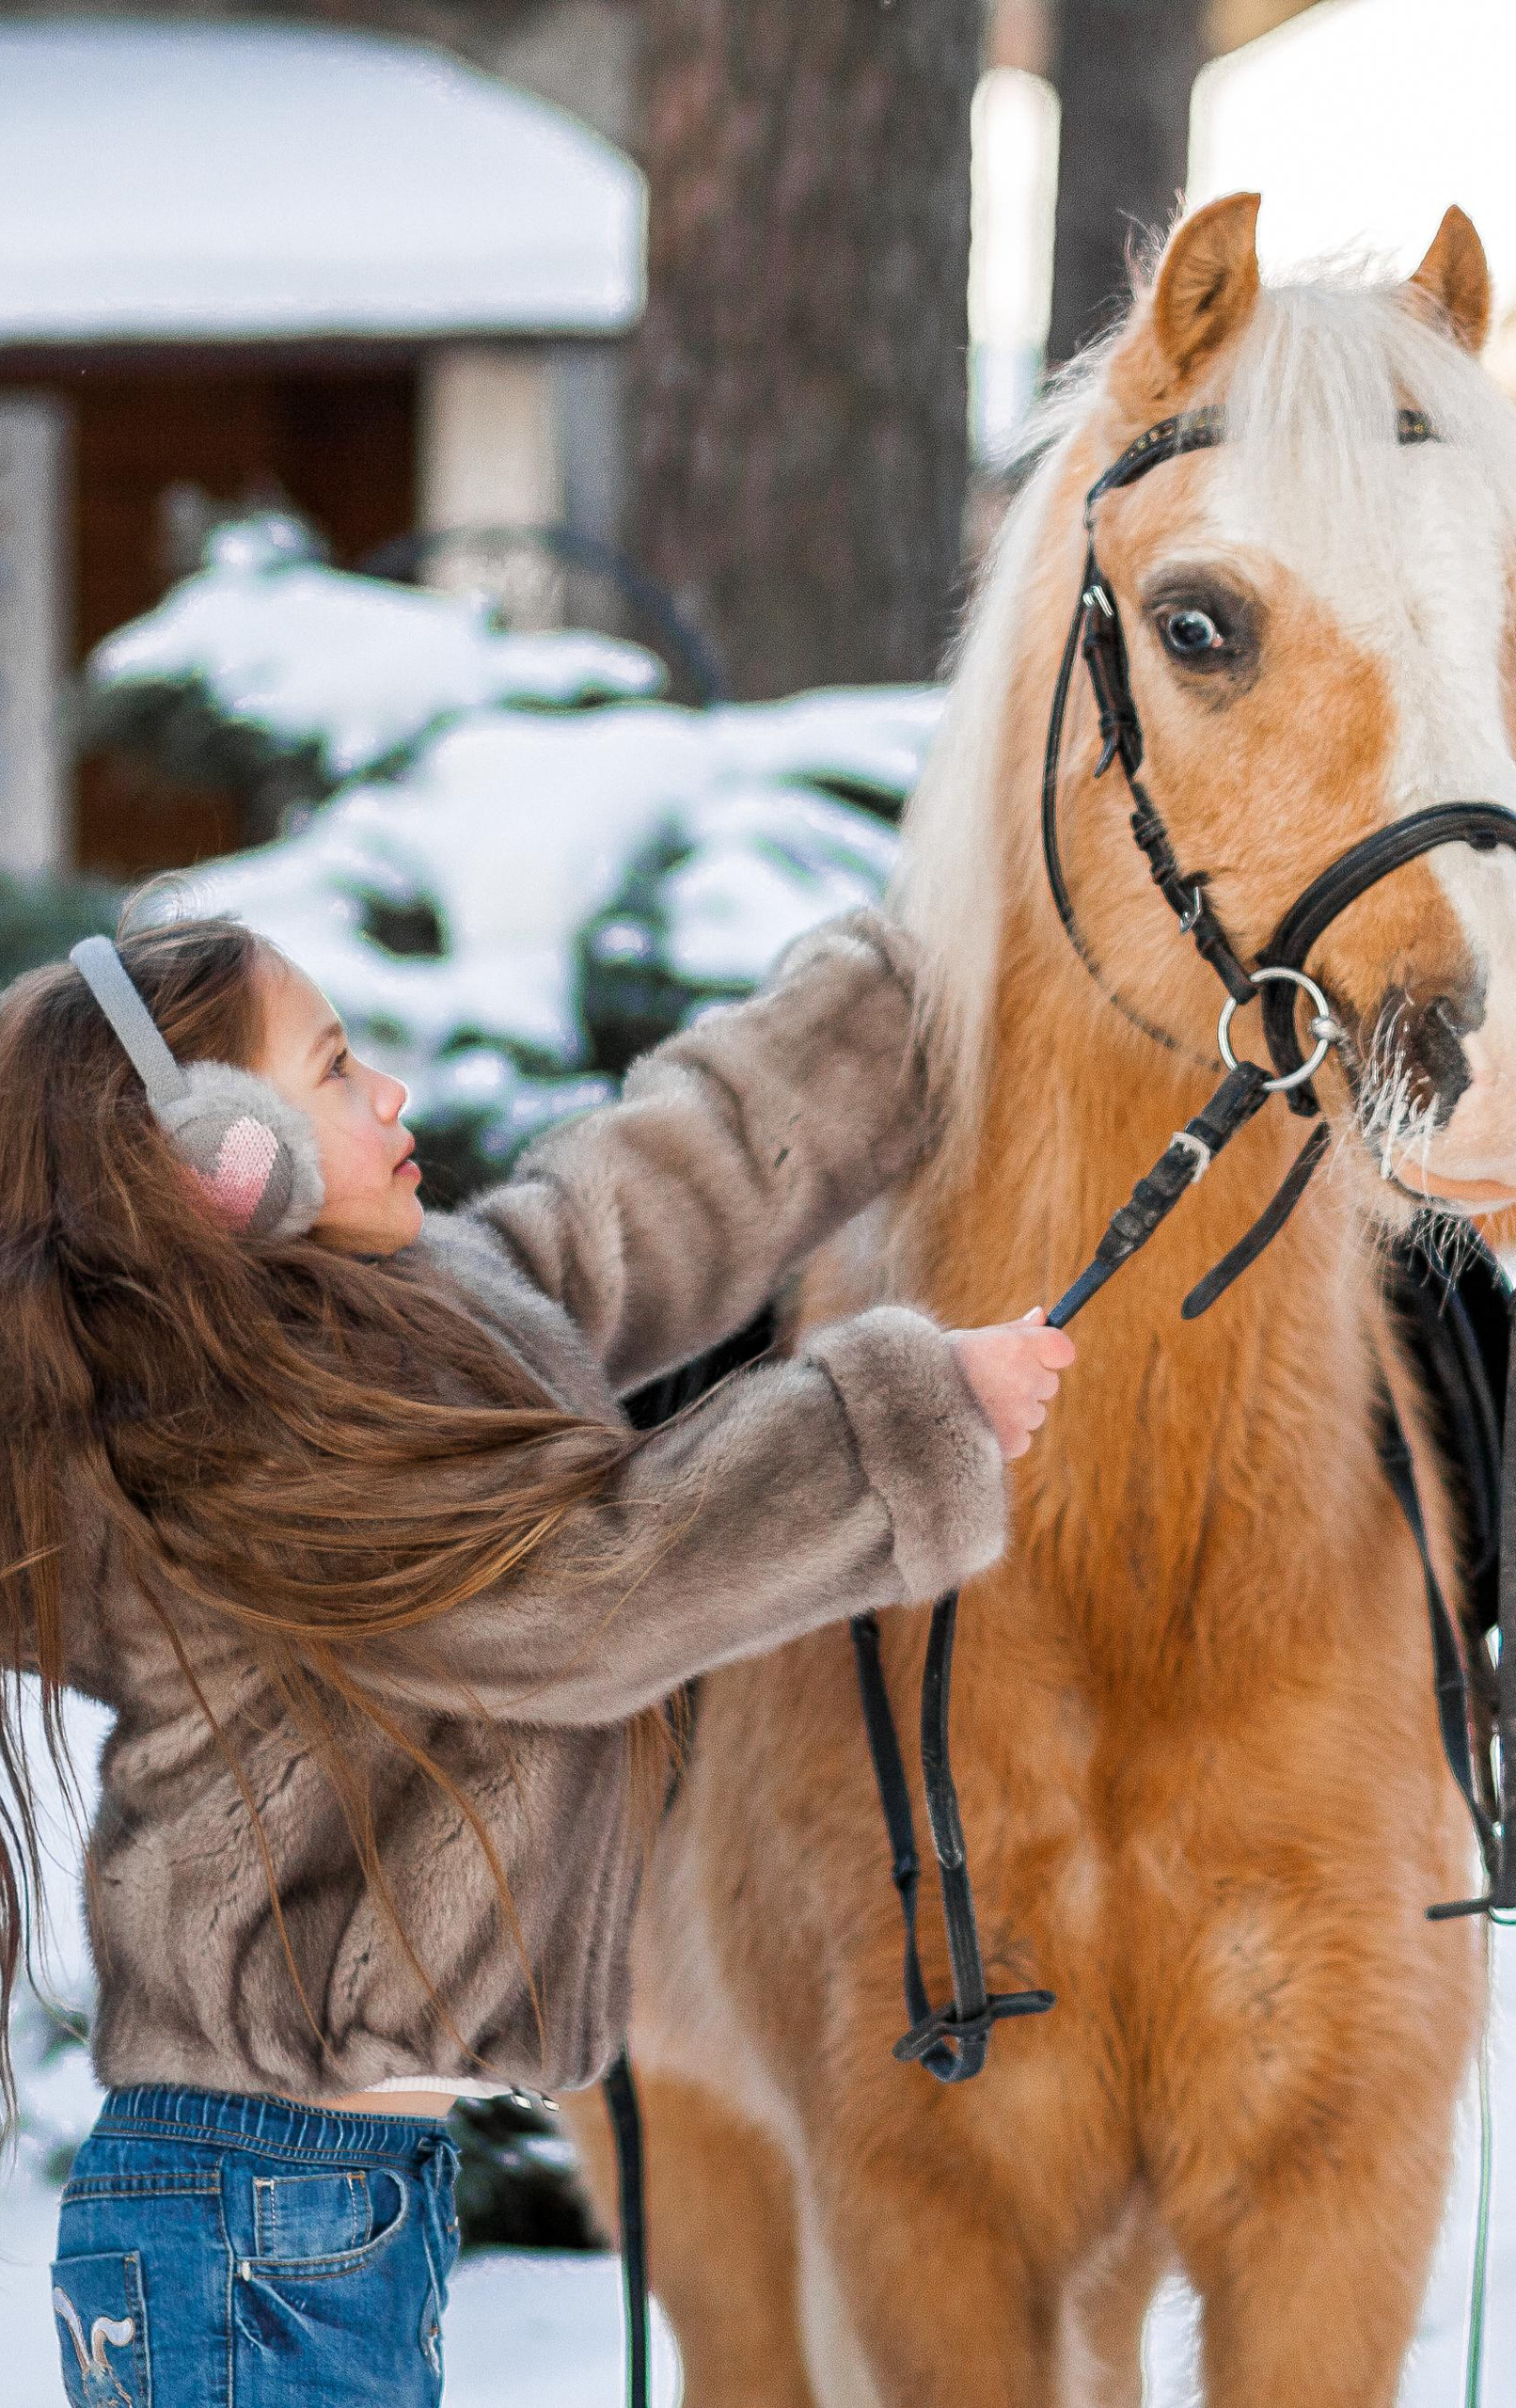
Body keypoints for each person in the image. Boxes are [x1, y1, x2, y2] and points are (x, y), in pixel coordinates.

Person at [0, 908, 1071, 2406]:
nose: (392, 1098)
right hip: (255, 2207)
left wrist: (891, 1011)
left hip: (302, 2196)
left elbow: (621, 1219)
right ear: (222, 1157)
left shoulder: (379, 1339)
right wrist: (905, 1420)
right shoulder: (247, 1453)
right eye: (335, 1069)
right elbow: (583, 1590)